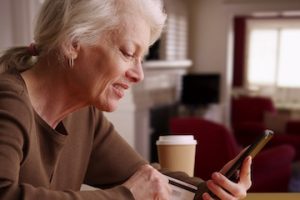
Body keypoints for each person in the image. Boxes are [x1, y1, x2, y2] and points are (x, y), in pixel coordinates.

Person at [0, 0, 252, 199]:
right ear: (73, 42)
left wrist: (212, 190)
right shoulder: (8, 100)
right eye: (128, 53)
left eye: (141, 59)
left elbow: (146, 177)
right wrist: (127, 196)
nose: (139, 74)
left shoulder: (84, 114)